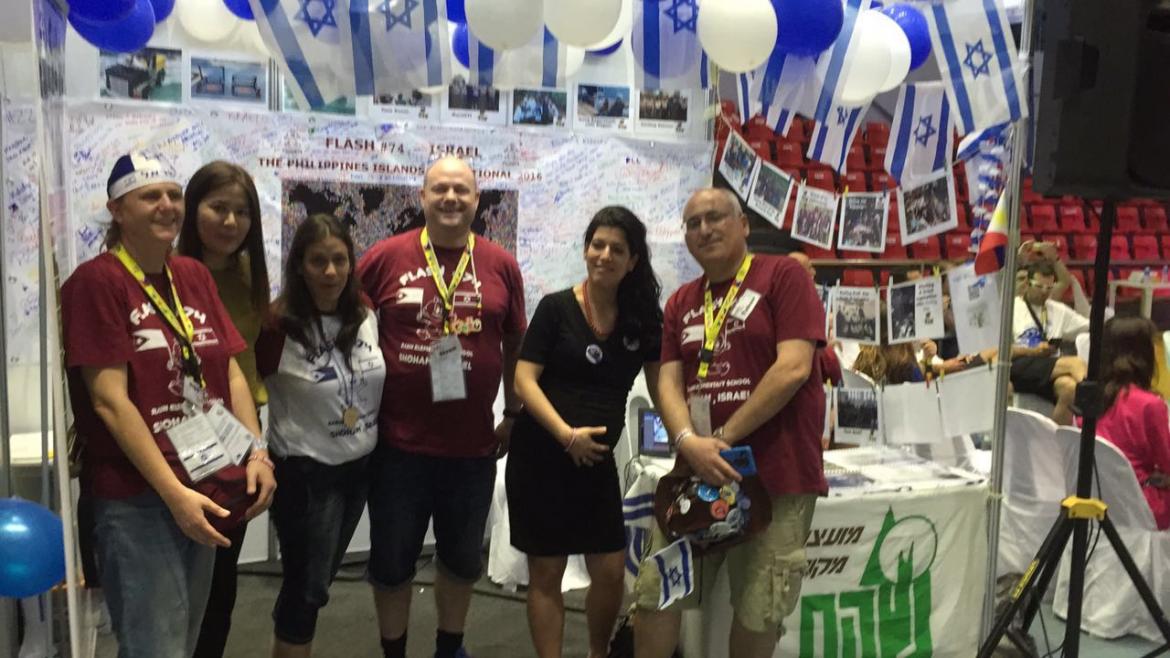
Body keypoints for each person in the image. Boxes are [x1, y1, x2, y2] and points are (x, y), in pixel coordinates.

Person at [62, 154, 276, 657]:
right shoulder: (97, 282)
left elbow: (230, 370)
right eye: (149, 196)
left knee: (187, 638)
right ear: (117, 210)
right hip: (137, 498)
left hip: (203, 480)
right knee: (154, 646)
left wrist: (257, 453)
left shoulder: (191, 276)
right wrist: (175, 495)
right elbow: (109, 401)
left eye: (173, 195)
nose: (166, 205)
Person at [634, 188, 826, 658]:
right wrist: (687, 441)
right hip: (695, 477)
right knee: (657, 591)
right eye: (693, 223)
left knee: (760, 608)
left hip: (776, 478)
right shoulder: (681, 301)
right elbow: (668, 383)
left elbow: (794, 367)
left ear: (743, 225)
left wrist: (720, 439)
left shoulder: (783, 277)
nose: (704, 229)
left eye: (715, 217)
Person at [357, 156, 526, 658]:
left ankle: (449, 649)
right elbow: (342, 326)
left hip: (472, 449)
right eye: (440, 189)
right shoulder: (384, 258)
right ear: (422, 197)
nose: (450, 198)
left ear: (477, 200)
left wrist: (512, 413)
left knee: (460, 561)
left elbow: (515, 342)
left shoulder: (501, 264)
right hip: (396, 447)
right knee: (392, 564)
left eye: (461, 190)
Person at [505, 207, 663, 658]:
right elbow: (524, 381)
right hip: (541, 456)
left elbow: (662, 389)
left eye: (617, 249)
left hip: (594, 464)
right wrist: (566, 435)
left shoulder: (643, 320)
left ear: (633, 260)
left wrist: (687, 438)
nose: (605, 255)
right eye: (598, 245)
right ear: (586, 250)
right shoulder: (556, 308)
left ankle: (598, 652)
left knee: (611, 571)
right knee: (547, 572)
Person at [255, 214, 387, 657]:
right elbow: (239, 385)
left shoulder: (364, 312)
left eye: (339, 260)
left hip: (360, 467)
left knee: (313, 582)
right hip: (307, 475)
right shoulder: (277, 325)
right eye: (317, 261)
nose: (330, 272)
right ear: (299, 265)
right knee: (308, 590)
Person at [178, 160, 271, 658]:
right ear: (193, 209)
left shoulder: (249, 275)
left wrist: (257, 448)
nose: (231, 222)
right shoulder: (164, 273)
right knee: (176, 575)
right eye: (218, 208)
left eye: (242, 212)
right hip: (179, 437)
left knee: (222, 573)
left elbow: (244, 361)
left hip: (237, 434)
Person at [1087, 317, 1170, 529]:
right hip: (1142, 505)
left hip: (1097, 499)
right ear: (1144, 354)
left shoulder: (1090, 396)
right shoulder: (1150, 405)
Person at [1011, 259, 1090, 424]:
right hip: (1020, 366)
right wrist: (1032, 351)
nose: (1044, 292)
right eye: (1039, 287)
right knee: (1074, 363)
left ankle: (1055, 437)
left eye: (1049, 288)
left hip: (1048, 368)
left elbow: (1089, 326)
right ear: (1027, 283)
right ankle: (1093, 401)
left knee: (1069, 388)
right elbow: (1000, 350)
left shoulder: (1058, 309)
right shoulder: (1012, 308)